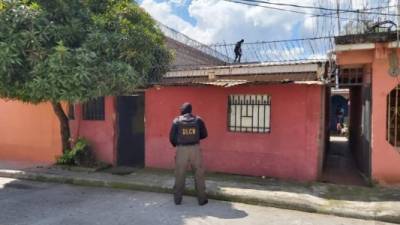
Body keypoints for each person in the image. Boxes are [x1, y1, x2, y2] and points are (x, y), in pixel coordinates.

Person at [169, 102, 208, 206]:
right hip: (195, 149)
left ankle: (177, 200)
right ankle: (202, 200)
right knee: (199, 174)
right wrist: (195, 139)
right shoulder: (198, 120)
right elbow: (204, 134)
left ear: (182, 110)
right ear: (190, 110)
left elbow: (172, 137)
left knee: (179, 174)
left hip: (182, 150)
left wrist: (177, 145)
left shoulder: (177, 120)